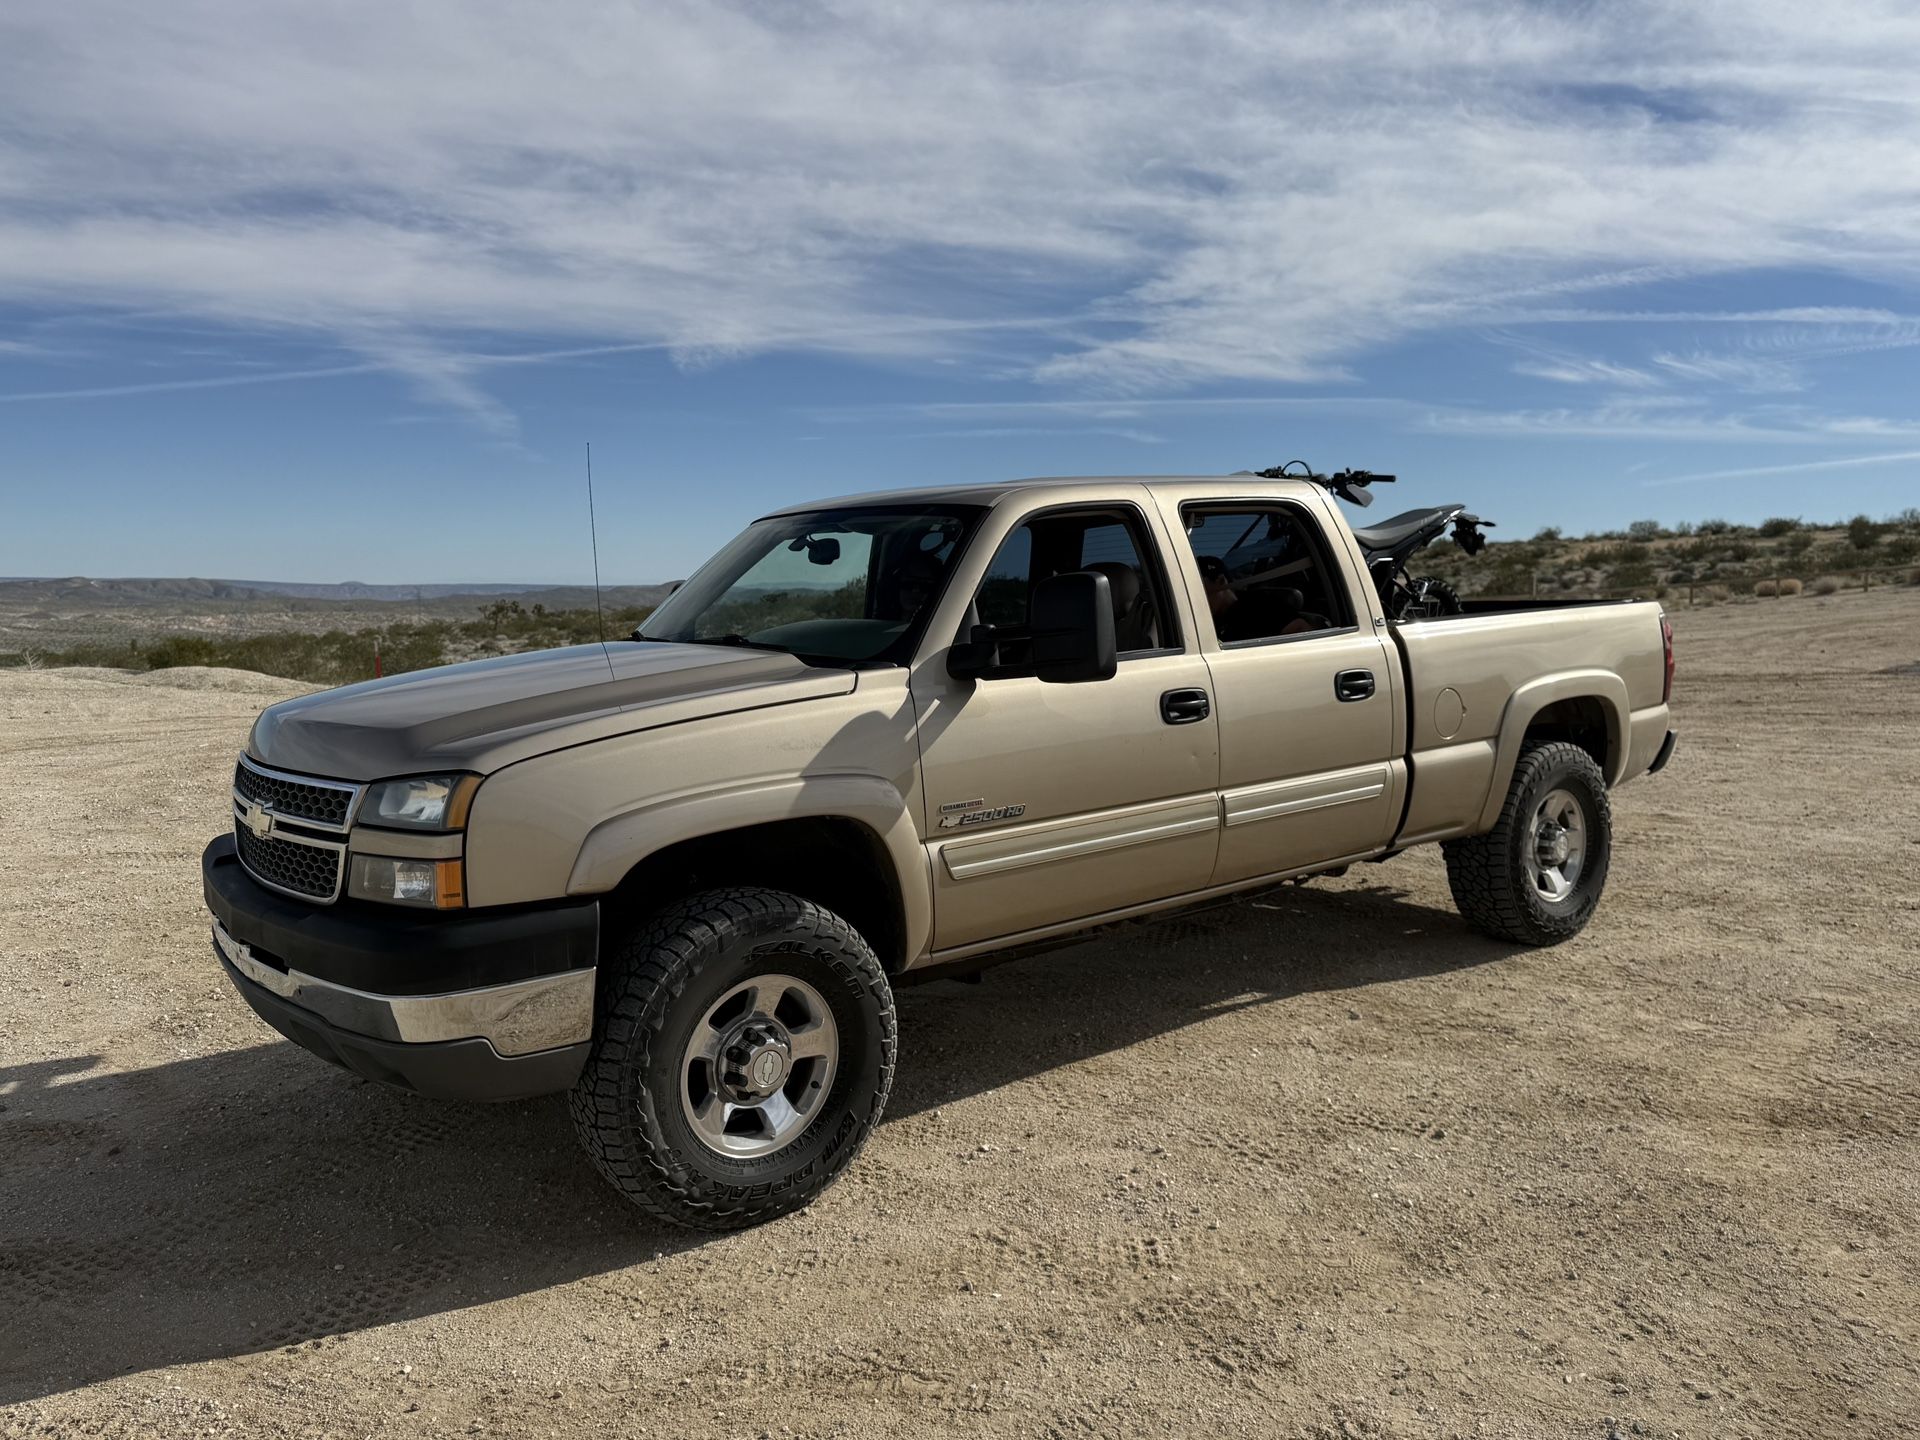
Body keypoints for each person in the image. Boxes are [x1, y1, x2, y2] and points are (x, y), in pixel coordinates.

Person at [1196, 554, 1317, 641]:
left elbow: (1301, 630)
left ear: (1221, 581)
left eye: (1198, 586)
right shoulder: (1204, 623)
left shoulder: (1259, 606)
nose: (1194, 597)